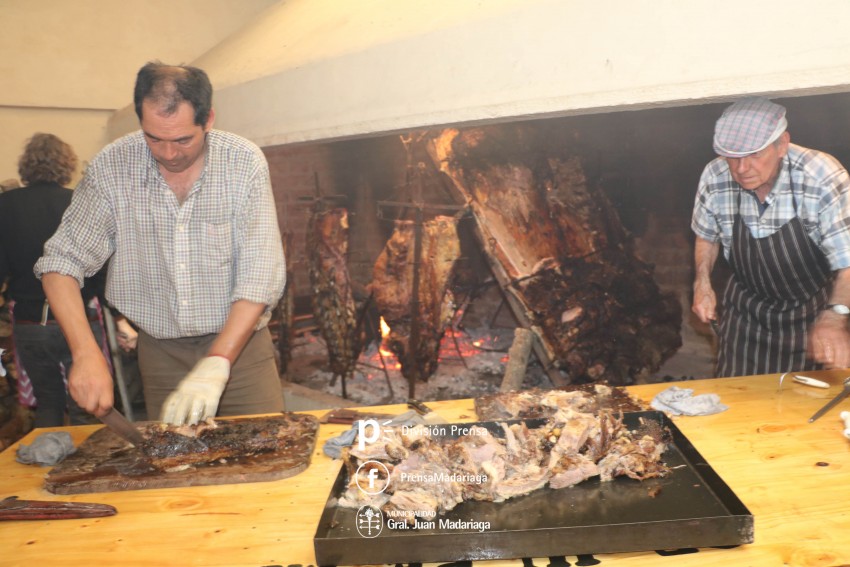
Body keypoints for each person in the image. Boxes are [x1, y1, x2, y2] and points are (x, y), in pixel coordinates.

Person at [35, 62, 287, 425]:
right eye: (154, 138)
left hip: (242, 344)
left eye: (183, 139)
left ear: (209, 119)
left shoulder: (243, 163)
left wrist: (218, 362)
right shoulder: (112, 167)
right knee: (175, 469)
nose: (169, 154)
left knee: (267, 456)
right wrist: (85, 353)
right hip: (159, 351)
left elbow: (260, 273)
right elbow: (60, 262)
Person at [691, 96, 850, 377]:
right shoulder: (715, 177)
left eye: (754, 154)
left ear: (782, 144)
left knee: (805, 413)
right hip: (748, 320)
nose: (741, 169)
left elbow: (847, 260)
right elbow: (707, 235)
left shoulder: (821, 176)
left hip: (812, 320)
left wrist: (835, 317)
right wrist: (702, 282)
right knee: (735, 410)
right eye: (733, 157)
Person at [0, 133, 106, 427]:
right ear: (66, 164)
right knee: (89, 406)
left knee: (47, 404)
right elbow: (99, 267)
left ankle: (48, 467)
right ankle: (89, 472)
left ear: (26, 165)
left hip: (30, 322)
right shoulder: (77, 203)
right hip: (80, 319)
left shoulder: (4, 206)